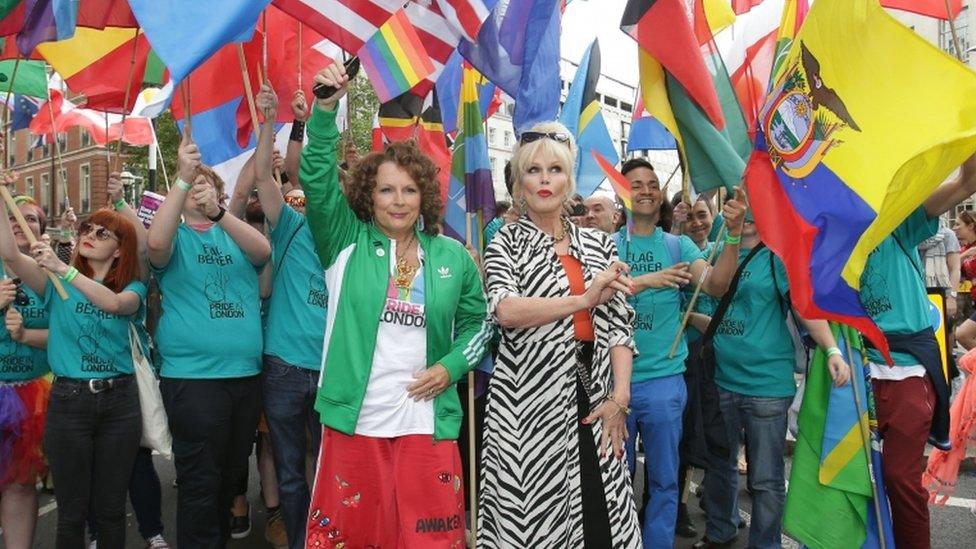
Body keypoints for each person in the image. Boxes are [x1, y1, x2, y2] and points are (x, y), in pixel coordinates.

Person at [301, 61, 490, 548]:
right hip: (355, 422)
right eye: (387, 189)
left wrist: (449, 368)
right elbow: (318, 180)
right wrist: (325, 112)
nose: (399, 201)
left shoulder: (451, 255)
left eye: (409, 190)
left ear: (425, 195)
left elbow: (480, 326)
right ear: (370, 194)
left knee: (429, 543)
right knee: (352, 540)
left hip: (427, 426)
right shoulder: (345, 241)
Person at [481, 123, 640, 547]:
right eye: (533, 170)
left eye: (555, 169)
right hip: (526, 410)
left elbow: (621, 328)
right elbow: (506, 310)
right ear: (518, 182)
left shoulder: (599, 245)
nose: (545, 178)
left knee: (604, 526)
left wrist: (620, 399)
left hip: (596, 399)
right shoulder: (505, 242)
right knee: (533, 530)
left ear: (570, 180)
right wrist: (584, 299)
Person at [0, 179, 147, 547]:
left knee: (111, 508)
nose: (91, 234)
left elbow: (114, 305)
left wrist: (63, 270)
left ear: (118, 250)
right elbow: (11, 255)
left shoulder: (133, 286)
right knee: (72, 511)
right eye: (87, 228)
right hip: (69, 402)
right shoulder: (53, 281)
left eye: (104, 232)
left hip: (119, 403)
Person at [614, 158, 747, 549]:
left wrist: (734, 235)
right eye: (635, 183)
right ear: (623, 193)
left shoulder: (678, 244)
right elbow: (591, 296)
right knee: (612, 482)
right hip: (612, 387)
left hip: (664, 383)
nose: (646, 189)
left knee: (665, 480)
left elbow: (717, 286)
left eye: (652, 183)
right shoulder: (604, 243)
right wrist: (648, 280)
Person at [147, 131, 270, 547]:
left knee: (228, 479)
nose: (198, 192)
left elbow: (262, 252)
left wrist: (219, 213)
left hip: (244, 378)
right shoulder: (176, 239)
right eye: (189, 188)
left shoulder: (230, 231)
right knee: (200, 485)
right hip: (195, 381)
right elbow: (155, 243)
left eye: (205, 185)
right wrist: (181, 178)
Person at [697, 217, 850, 549]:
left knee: (765, 479)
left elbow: (802, 304)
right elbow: (707, 294)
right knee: (721, 465)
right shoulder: (719, 251)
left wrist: (832, 348)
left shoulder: (776, 256)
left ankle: (765, 544)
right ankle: (721, 530)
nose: (750, 212)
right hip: (722, 378)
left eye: (757, 205)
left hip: (767, 385)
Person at [855, 156, 976, 549]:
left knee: (899, 478)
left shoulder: (895, 221)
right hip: (854, 375)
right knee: (854, 483)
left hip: (907, 373)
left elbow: (964, 185)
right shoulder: (830, 236)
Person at [251, 83, 329, 549]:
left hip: (333, 371)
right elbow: (266, 175)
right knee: (291, 472)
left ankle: (328, 539)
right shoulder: (290, 225)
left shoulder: (352, 236)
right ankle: (300, 541)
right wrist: (271, 122)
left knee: (328, 467)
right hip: (283, 368)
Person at [0, 194, 50, 549]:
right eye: (13, 217)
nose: (22, 223)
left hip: (34, 396)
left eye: (31, 219)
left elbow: (67, 335)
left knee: (20, 483)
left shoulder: (52, 273)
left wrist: (27, 335)